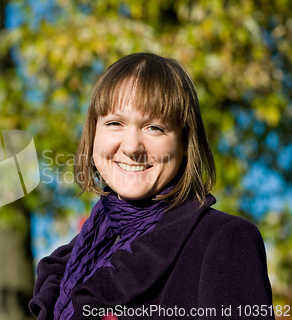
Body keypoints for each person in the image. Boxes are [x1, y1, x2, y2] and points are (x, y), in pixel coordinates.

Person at [29, 53, 273, 320]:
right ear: (93, 134)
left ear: (184, 142)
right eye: (114, 123)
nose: (132, 147)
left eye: (154, 127)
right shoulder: (74, 260)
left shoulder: (224, 242)